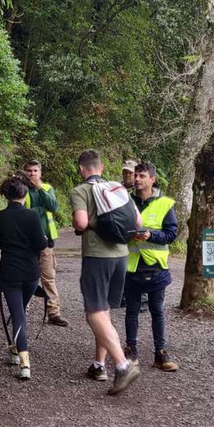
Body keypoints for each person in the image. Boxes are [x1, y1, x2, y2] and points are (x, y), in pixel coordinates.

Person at [71, 149, 142, 395]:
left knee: (94, 313)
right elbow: (138, 223)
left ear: (81, 169)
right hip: (121, 255)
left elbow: (80, 223)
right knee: (104, 311)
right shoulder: (117, 189)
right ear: (101, 168)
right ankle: (98, 365)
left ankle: (122, 365)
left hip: (97, 257)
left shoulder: (81, 190)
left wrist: (89, 223)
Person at [0, 174, 49, 380]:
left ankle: (23, 360)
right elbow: (41, 244)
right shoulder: (32, 216)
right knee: (20, 313)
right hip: (31, 274)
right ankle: (18, 353)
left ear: (6, 195)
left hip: (9, 273)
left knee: (18, 315)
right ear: (25, 194)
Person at [123, 162, 178, 372]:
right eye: (136, 175)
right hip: (132, 265)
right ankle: (131, 352)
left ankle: (160, 354)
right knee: (132, 310)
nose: (137, 179)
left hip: (157, 266)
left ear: (152, 179)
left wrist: (151, 235)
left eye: (142, 176)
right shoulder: (126, 201)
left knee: (157, 310)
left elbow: (172, 234)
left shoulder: (165, 204)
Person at [22, 160, 68, 327]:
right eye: (29, 171)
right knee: (26, 278)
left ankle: (54, 313)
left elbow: (54, 206)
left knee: (49, 279)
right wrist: (41, 209)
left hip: (46, 242)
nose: (32, 174)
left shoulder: (47, 188)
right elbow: (22, 213)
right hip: (26, 244)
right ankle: (22, 311)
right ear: (25, 172)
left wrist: (40, 188)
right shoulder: (21, 190)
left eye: (35, 171)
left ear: (40, 173)